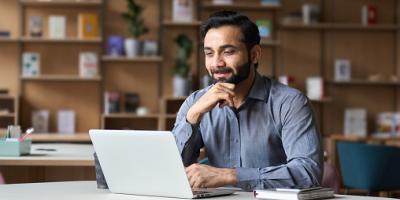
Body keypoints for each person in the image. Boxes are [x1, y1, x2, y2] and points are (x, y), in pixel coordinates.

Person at [172, 11, 323, 191]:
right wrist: (193, 117)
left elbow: (308, 173)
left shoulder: (290, 103)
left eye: (228, 52)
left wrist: (231, 176)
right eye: (209, 53)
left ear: (254, 55)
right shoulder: (195, 103)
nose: (217, 63)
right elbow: (170, 172)